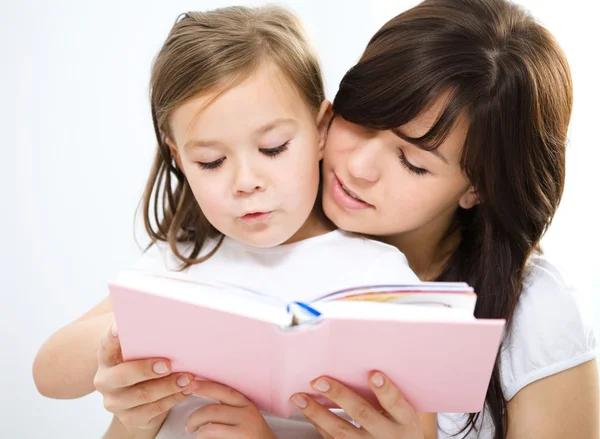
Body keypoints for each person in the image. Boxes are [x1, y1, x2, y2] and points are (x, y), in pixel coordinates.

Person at [32, 5, 426, 439]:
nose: (246, 182)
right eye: (211, 161)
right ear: (179, 158)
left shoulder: (377, 275)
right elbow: (48, 373)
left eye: (273, 148)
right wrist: (129, 338)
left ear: (321, 129)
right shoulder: (184, 259)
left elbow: (420, 429)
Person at [287, 0, 599, 438]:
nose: (359, 167)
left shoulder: (534, 314)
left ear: (478, 188)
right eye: (359, 119)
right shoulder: (257, 239)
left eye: (413, 162)